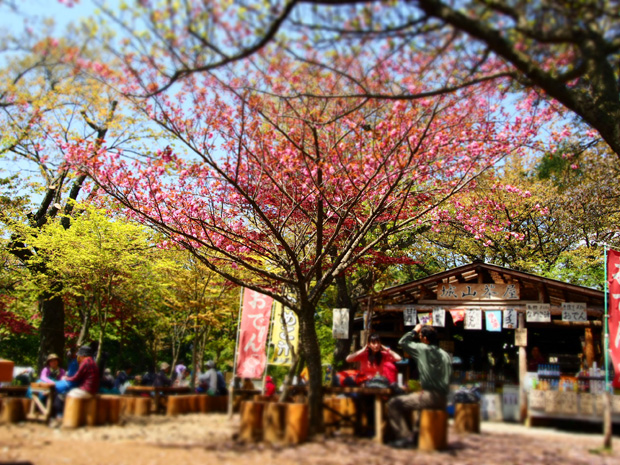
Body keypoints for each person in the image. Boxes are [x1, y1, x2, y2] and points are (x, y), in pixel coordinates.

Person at [386, 324, 452, 448]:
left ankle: (404, 437)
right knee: (419, 408)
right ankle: (416, 437)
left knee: (394, 403)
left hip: (429, 396)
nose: (419, 338)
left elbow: (402, 342)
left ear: (425, 339)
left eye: (420, 336)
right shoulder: (445, 354)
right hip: (443, 398)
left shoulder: (422, 349)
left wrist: (415, 330)